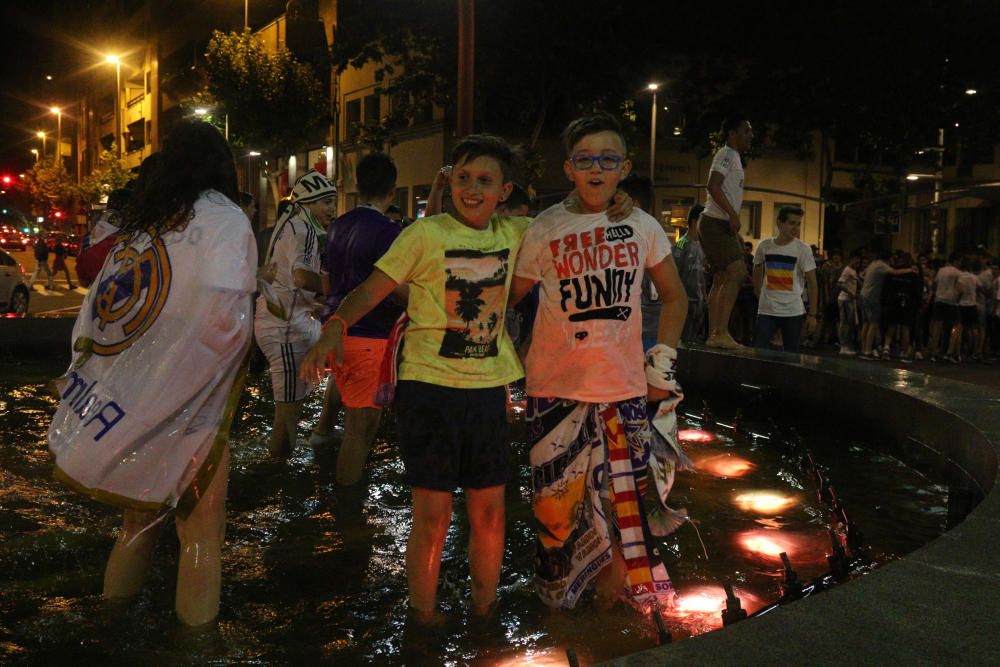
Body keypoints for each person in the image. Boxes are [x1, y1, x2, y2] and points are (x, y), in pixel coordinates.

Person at [300, 135, 531, 624]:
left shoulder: (518, 234)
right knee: (432, 515)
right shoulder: (423, 236)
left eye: (485, 181)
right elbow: (371, 290)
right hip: (428, 389)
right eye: (462, 178)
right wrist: (334, 328)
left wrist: (616, 200)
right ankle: (423, 621)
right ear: (449, 183)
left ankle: (484, 612)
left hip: (489, 389)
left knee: (489, 513)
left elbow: (572, 222)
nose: (472, 189)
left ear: (504, 191)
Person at [47, 119, 255, 626]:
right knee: (202, 531)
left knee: (137, 522)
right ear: (223, 166)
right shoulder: (225, 219)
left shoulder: (144, 225)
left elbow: (98, 315)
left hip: (132, 399)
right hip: (193, 400)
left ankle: (108, 627)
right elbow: (223, 314)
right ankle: (194, 647)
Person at [510, 111, 688, 612]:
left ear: (624, 167)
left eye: (607, 159)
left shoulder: (641, 224)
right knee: (553, 514)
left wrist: (662, 363)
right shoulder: (542, 228)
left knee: (622, 507)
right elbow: (508, 294)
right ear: (568, 168)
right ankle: (559, 613)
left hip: (624, 392)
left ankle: (609, 614)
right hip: (552, 393)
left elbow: (675, 297)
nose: (596, 168)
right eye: (585, 159)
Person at [314, 152, 405, 489]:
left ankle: (323, 448)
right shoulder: (388, 231)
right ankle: (346, 511)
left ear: (356, 186)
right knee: (360, 430)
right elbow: (392, 287)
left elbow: (325, 284)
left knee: (353, 415)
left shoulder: (337, 225)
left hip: (335, 328)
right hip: (369, 334)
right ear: (392, 191)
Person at [255, 169, 336, 457]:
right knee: (287, 415)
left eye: (333, 201)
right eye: (325, 201)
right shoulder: (303, 229)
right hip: (286, 329)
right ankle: (277, 472)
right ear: (309, 203)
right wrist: (337, 288)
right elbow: (302, 278)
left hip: (285, 321)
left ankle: (321, 432)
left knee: (344, 359)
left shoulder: (292, 224)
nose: (332, 208)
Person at [699, 114, 754, 349]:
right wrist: (732, 214)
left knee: (721, 277)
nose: (750, 135)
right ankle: (721, 331)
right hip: (716, 222)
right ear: (732, 134)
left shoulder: (734, 157)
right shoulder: (726, 154)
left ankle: (715, 333)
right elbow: (712, 185)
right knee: (738, 273)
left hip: (716, 223)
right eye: (746, 131)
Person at [751, 206, 817, 353]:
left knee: (791, 354)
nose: (796, 228)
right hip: (767, 309)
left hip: (792, 311)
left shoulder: (803, 249)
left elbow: (812, 282)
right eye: (792, 223)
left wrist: (813, 314)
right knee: (759, 350)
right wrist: (757, 289)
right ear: (779, 223)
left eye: (799, 224)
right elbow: (757, 266)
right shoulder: (765, 245)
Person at [672, 203, 707, 345]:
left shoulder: (701, 246)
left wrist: (704, 297)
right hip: (685, 301)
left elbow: (701, 274)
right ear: (694, 221)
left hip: (698, 302)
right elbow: (674, 272)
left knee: (694, 339)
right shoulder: (681, 244)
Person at [880, 253, 922, 361]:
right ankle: (904, 352)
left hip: (892, 301)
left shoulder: (893, 272)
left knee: (891, 325)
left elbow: (885, 288)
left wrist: (884, 301)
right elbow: (917, 291)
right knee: (905, 326)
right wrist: (917, 304)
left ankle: (886, 348)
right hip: (907, 302)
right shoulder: (913, 275)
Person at [927, 251, 962, 361]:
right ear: (956, 261)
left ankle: (933, 351)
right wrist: (958, 298)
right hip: (951, 301)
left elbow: (934, 284)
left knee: (937, 326)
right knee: (956, 326)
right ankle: (949, 352)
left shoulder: (941, 271)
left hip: (939, 300)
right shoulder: (958, 272)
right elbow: (960, 288)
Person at [836, 250, 862, 355]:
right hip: (845, 299)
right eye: (856, 260)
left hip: (849, 299)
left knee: (848, 323)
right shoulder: (847, 270)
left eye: (859, 261)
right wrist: (850, 293)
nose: (858, 263)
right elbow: (839, 284)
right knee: (845, 323)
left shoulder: (853, 271)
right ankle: (843, 346)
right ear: (851, 259)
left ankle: (845, 345)